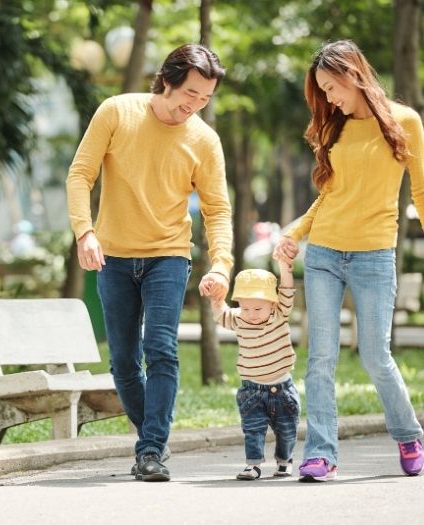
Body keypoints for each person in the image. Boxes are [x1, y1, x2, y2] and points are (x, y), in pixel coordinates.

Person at [66, 44, 233, 482]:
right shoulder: (117, 112)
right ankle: (152, 439)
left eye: (204, 99)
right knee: (122, 361)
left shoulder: (204, 139)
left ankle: (152, 449)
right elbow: (80, 174)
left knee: (160, 348)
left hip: (169, 256)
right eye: (190, 94)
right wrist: (85, 232)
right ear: (167, 79)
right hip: (114, 257)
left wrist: (221, 264)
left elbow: (217, 208)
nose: (194, 106)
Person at [273, 39, 424, 482]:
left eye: (331, 87)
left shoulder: (404, 122)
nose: (329, 98)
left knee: (376, 356)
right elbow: (328, 197)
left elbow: (420, 190)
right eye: (321, 91)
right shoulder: (333, 129)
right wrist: (295, 232)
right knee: (320, 359)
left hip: (374, 255)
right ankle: (321, 454)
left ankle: (408, 433)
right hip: (323, 253)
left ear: (352, 74)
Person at [204, 263, 300, 480]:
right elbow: (220, 314)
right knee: (252, 430)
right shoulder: (239, 319)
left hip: (282, 390)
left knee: (286, 430)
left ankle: (285, 461)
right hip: (252, 391)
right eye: (246, 308)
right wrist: (215, 298)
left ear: (272, 304)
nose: (252, 314)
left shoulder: (279, 314)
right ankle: (253, 465)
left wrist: (285, 269)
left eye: (258, 309)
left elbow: (286, 290)